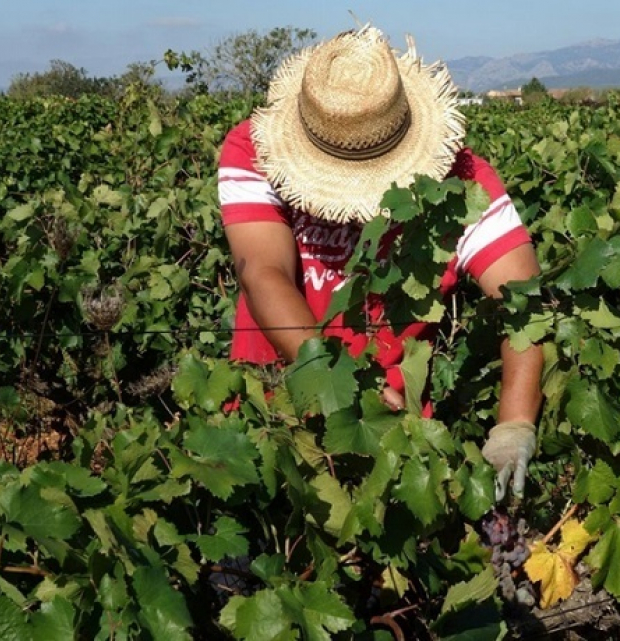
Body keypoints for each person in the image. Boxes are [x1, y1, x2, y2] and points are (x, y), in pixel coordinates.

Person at [217, 25, 543, 500]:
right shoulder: (254, 152)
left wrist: (514, 423)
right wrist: (341, 390)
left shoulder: (462, 183)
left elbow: (523, 300)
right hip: (270, 420)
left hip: (394, 436)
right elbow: (263, 273)